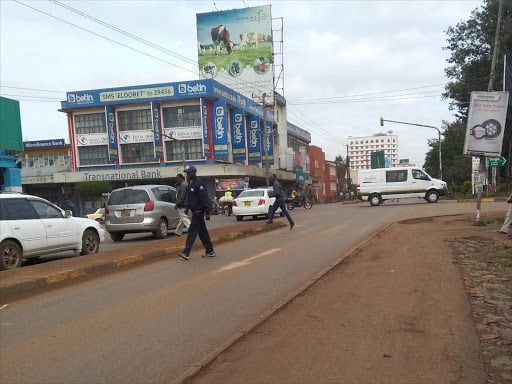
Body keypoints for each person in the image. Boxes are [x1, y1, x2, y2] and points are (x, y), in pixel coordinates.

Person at [178, 166, 215, 260]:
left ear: (194, 172)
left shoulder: (199, 183)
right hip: (194, 211)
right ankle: (210, 250)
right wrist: (187, 208)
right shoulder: (190, 183)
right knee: (203, 233)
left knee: (192, 232)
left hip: (199, 211)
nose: (187, 174)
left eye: (189, 172)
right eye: (186, 173)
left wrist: (207, 212)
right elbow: (191, 198)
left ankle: (186, 252)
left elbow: (204, 197)